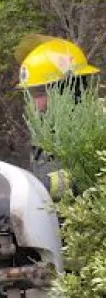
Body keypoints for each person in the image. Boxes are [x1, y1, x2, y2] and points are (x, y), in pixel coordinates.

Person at [16, 35, 100, 199]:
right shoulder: (47, 129)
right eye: (29, 94)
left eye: (37, 93)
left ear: (65, 90)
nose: (32, 103)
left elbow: (84, 177)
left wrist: (34, 187)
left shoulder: (96, 128)